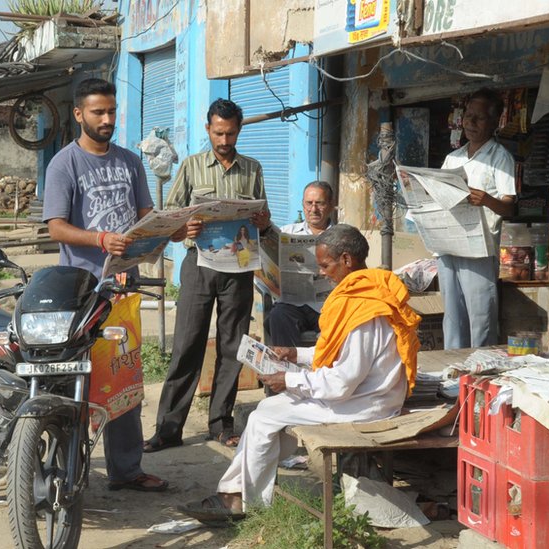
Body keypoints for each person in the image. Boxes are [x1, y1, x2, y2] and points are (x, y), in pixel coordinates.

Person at [179, 224, 421, 520]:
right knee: (266, 413)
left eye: (325, 265)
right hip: (365, 395)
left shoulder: (363, 309)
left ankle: (241, 501)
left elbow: (340, 383)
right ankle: (237, 495)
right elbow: (339, 355)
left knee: (264, 415)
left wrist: (289, 380)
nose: (322, 272)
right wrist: (295, 354)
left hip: (366, 405)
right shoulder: (368, 291)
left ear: (346, 260)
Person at [42, 78, 167, 493]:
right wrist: (98, 238)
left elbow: (146, 214)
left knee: (124, 379)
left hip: (123, 291)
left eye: (112, 111)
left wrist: (173, 230)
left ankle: (126, 470)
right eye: (98, 112)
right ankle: (66, 469)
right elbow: (56, 227)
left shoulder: (131, 161)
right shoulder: (65, 163)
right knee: (75, 379)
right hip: (79, 291)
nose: (108, 119)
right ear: (79, 114)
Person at [144, 98, 272, 452]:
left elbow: (263, 213)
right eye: (218, 133)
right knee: (187, 344)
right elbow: (169, 216)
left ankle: (221, 424)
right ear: (207, 129)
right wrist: (186, 225)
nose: (224, 140)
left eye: (230, 133)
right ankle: (168, 430)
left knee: (233, 347)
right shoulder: (190, 166)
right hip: (198, 266)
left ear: (239, 130)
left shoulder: (252, 169)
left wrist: (262, 220)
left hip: (239, 268)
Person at [438, 88, 516, 349]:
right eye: (468, 116)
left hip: (480, 248)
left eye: (479, 118)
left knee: (480, 316)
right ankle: (453, 373)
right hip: (450, 244)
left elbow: (509, 207)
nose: (470, 123)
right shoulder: (453, 158)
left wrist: (486, 200)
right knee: (453, 315)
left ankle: (480, 370)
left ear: (494, 123)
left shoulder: (499, 158)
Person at [266, 180, 336, 347]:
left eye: (319, 203)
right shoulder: (286, 232)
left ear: (331, 205)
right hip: (292, 305)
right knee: (277, 316)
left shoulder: (342, 235)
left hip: (328, 306)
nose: (313, 209)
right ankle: (285, 370)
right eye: (309, 203)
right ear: (302, 204)